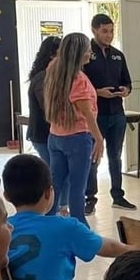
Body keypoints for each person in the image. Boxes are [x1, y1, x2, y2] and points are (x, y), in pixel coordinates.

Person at [2, 154, 140, 280]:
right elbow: (108, 247)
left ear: (6, 196)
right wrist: (137, 248)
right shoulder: (65, 227)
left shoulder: (3, 229)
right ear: (49, 193)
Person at [44, 32, 104, 226]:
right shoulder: (78, 80)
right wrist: (99, 140)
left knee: (55, 187)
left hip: (55, 136)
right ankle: (81, 232)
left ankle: (48, 226)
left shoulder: (53, 68)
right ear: (79, 53)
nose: (90, 53)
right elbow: (87, 114)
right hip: (77, 139)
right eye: (88, 50)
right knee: (77, 190)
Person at [83, 13, 136, 214]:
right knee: (94, 157)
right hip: (95, 115)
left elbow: (128, 81)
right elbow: (79, 85)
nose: (109, 35)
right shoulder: (86, 55)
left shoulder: (117, 55)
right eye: (105, 31)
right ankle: (90, 197)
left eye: (112, 30)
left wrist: (126, 90)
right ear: (94, 30)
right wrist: (97, 92)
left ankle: (118, 195)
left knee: (116, 156)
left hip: (117, 113)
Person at [25, 35, 67, 214]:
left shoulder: (51, 76)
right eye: (62, 54)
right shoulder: (43, 77)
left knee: (60, 174)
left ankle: (60, 209)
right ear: (52, 55)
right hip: (44, 135)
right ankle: (53, 211)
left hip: (51, 134)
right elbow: (49, 108)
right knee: (55, 176)